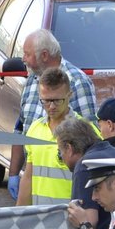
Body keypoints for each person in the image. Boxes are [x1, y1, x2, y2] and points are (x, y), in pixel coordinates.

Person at [8, 28, 97, 198]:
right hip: (37, 187)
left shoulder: (77, 81)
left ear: (44, 55)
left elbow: (91, 139)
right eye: (46, 101)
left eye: (27, 54)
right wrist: (13, 173)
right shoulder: (32, 81)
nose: (23, 59)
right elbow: (20, 129)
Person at [16, 67, 96, 206]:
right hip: (41, 216)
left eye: (57, 100)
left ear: (69, 95)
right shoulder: (35, 129)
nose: (51, 106)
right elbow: (28, 177)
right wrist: (19, 214)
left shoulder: (85, 131)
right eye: (46, 101)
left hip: (72, 216)